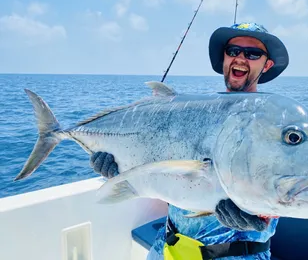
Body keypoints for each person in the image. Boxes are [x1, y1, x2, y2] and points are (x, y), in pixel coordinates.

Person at [90, 22, 289, 259]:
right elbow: (163, 174)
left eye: (252, 53)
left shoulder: (274, 122)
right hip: (167, 247)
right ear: (224, 58)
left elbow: (288, 188)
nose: (240, 58)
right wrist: (122, 171)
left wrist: (259, 217)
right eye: (233, 51)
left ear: (266, 64)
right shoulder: (192, 113)